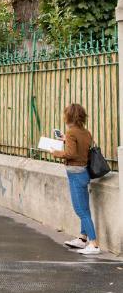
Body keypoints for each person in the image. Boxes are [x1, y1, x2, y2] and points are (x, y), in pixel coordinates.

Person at [58, 103, 100, 255]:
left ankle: (94, 244)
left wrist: (54, 151)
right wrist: (66, 140)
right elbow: (82, 150)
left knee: (80, 210)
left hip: (75, 174)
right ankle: (83, 239)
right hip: (83, 172)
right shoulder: (85, 132)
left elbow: (71, 154)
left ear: (69, 116)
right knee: (85, 208)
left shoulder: (71, 132)